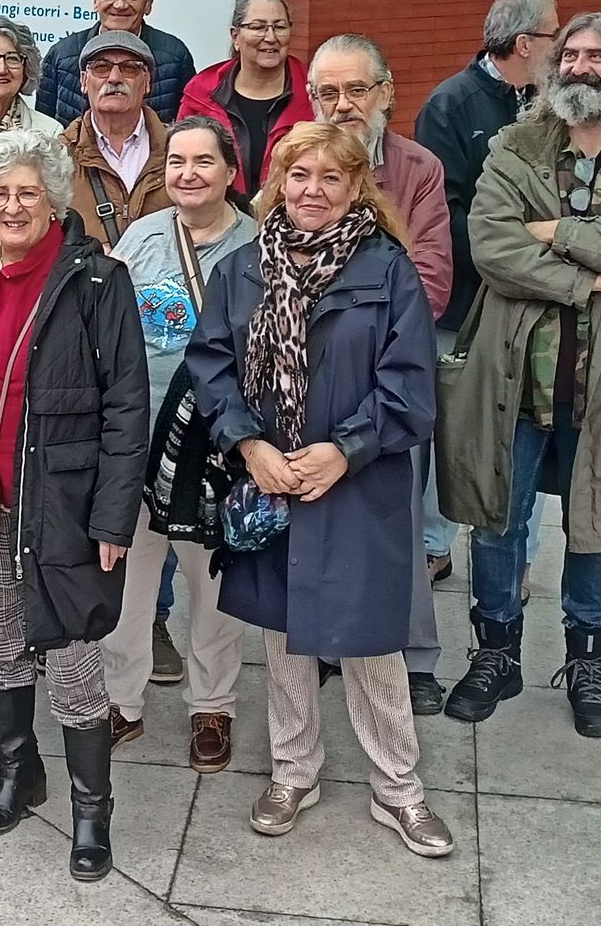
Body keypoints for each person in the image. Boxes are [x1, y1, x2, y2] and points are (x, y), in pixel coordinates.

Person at [184, 122, 453, 857]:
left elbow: (410, 387)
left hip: (358, 488)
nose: (312, 191)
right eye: (299, 175)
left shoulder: (388, 270)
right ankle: (293, 771)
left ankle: (399, 788)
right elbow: (211, 368)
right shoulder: (242, 270)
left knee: (371, 644)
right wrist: (250, 445)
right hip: (272, 483)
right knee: (283, 639)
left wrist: (346, 450)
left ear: (356, 186)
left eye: (331, 177)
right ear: (278, 181)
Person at [439, 14, 601, 741]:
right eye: (571, 54)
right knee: (498, 517)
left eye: (597, 55)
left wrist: (556, 232)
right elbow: (493, 248)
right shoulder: (512, 147)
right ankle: (496, 653)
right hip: (515, 376)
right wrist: (590, 279)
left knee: (598, 523)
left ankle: (588, 663)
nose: (581, 66)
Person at [0, 130, 149, 882]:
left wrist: (112, 518)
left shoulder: (96, 280)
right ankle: (18, 773)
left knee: (73, 657)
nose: (12, 206)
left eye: (28, 193)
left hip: (62, 503)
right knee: (1, 641)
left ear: (54, 199)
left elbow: (127, 406)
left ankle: (90, 810)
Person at [307, 35, 454, 715]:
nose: (343, 105)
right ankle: (326, 639)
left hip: (391, 377)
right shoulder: (297, 160)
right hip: (308, 376)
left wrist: (356, 330)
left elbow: (431, 281)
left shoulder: (418, 169)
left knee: (396, 520)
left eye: (356, 90)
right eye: (327, 93)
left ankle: (413, 656)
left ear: (386, 93)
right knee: (316, 518)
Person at [106, 117, 255, 772]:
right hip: (138, 439)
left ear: (230, 171)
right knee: (128, 578)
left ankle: (212, 707)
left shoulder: (258, 246)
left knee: (212, 583)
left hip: (215, 447)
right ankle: (120, 701)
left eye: (203, 162)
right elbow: (106, 328)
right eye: (176, 162)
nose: (187, 174)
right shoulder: (141, 237)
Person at [413, 0, 559, 592]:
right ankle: (433, 545)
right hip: (465, 304)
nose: (562, 48)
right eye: (554, 36)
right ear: (524, 44)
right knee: (448, 426)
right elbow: (441, 212)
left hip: (536, 303)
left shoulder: (557, 105)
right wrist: (512, 252)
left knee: (531, 426)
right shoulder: (451, 104)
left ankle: (519, 553)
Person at [34, 0, 196, 126]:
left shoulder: (175, 56)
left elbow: (188, 130)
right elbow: (45, 130)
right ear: (95, 0)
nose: (120, 5)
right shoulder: (61, 55)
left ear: (148, 3)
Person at [177, 0, 312, 192]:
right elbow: (181, 160)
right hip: (218, 209)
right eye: (258, 27)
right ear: (235, 37)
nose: (271, 37)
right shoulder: (201, 93)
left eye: (280, 27)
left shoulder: (314, 92)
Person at [60, 31, 173, 248]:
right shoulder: (58, 156)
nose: (114, 78)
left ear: (147, 82)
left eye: (129, 68)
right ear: (84, 81)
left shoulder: (178, 152)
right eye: (101, 67)